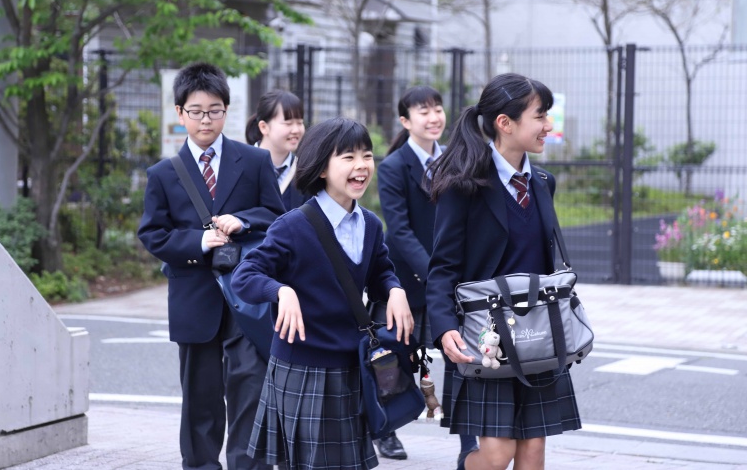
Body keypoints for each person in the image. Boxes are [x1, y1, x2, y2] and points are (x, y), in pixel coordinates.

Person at [231, 117, 414, 470]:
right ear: (321, 168)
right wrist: (281, 291)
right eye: (347, 157)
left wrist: (394, 290)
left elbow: (380, 274)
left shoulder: (371, 225)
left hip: (350, 366)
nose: (361, 165)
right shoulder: (292, 225)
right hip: (302, 367)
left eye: (366, 155)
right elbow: (245, 276)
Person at [426, 73, 581, 470]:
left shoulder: (543, 182)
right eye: (540, 115)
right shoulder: (464, 184)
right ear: (505, 122)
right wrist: (444, 327)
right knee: (497, 454)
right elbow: (443, 266)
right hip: (485, 336)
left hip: (541, 333)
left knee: (532, 454)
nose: (548, 125)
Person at [138, 62, 285, 470]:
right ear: (180, 113)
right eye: (197, 111)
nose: (207, 119)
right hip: (194, 297)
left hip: (247, 296)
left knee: (250, 388)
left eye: (215, 110)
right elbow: (153, 235)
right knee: (200, 397)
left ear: (227, 111)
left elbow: (278, 215)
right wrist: (198, 242)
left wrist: (245, 220)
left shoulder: (254, 161)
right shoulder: (163, 174)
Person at [372, 85, 476, 462]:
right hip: (407, 280)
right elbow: (398, 231)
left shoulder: (455, 159)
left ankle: (469, 444)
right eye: (423, 111)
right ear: (405, 120)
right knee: (395, 359)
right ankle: (385, 430)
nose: (433, 118)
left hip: (449, 280)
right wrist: (436, 275)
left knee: (461, 359)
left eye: (437, 109)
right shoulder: (394, 166)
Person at [245, 89, 306, 210]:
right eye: (288, 123)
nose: (296, 130)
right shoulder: (240, 166)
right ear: (264, 127)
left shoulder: (304, 172)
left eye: (300, 123)